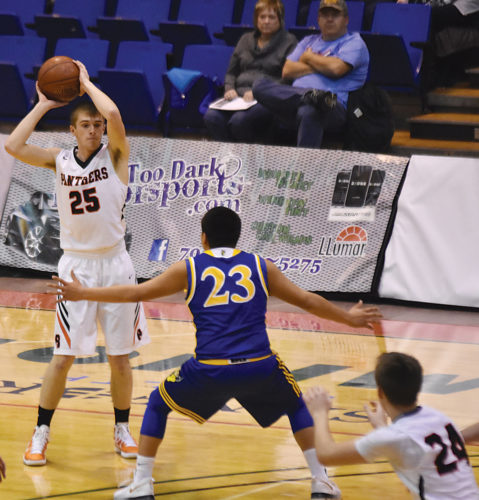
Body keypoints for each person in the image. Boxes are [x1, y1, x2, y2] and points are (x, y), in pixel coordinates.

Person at [50, 206, 382, 499]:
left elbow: (137, 292)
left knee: (157, 403)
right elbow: (309, 300)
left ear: (204, 238)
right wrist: (349, 319)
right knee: (296, 404)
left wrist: (83, 293)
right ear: (237, 238)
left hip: (210, 368)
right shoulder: (260, 266)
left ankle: (141, 484)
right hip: (258, 365)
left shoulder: (189, 268)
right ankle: (320, 480)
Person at [4, 61, 149, 466]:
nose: (93, 130)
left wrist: (85, 83)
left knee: (120, 356)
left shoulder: (116, 157)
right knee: (63, 356)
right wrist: (43, 104)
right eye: (85, 125)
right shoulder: (59, 161)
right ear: (73, 130)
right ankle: (40, 432)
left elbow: (116, 113)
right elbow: (13, 146)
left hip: (116, 266)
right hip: (76, 267)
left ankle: (122, 429)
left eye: (97, 125)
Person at [303, 352, 479, 499]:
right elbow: (408, 446)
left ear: (380, 391)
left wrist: (319, 412)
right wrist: (381, 425)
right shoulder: (439, 418)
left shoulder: (393, 437)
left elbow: (327, 455)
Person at [252, 0, 369, 148]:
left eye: (335, 15)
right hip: (295, 99)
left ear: (346, 20)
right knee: (259, 86)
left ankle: (305, 168)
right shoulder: (308, 41)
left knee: (310, 112)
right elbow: (287, 71)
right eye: (325, 15)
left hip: (333, 103)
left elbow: (336, 69)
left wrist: (308, 58)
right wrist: (323, 64)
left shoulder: (354, 42)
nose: (330, 19)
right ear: (318, 19)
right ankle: (309, 96)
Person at [203, 0, 297, 143]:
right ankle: (231, 158)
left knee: (238, 121)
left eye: (271, 17)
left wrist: (260, 92)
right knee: (211, 117)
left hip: (267, 99)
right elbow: (231, 73)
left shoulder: (290, 42)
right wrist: (229, 88)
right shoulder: (245, 39)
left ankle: (247, 160)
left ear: (280, 19)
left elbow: (287, 79)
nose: (266, 21)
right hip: (238, 98)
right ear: (256, 19)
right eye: (262, 17)